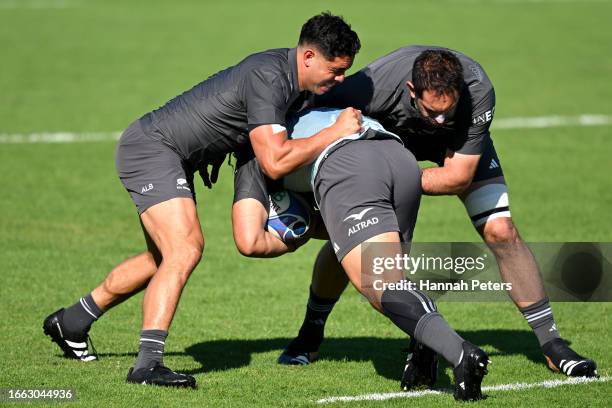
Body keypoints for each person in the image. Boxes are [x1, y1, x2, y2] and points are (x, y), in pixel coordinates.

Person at [42, 12, 362, 388]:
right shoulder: (269, 77)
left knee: (160, 259)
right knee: (184, 249)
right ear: (308, 57)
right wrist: (335, 132)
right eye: (335, 70)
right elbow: (273, 159)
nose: (339, 80)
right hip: (152, 149)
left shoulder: (295, 83)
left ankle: (72, 321)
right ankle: (147, 366)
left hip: (168, 154)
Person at [278, 46, 598, 382]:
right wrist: (369, 187)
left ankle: (552, 343)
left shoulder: (478, 91)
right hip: (385, 146)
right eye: (433, 112)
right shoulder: (374, 86)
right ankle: (311, 333)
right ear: (411, 91)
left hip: (453, 155)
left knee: (501, 230)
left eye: (449, 111)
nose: (441, 121)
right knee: (359, 243)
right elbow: (308, 111)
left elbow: (457, 177)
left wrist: (389, 184)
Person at [232, 107, 490, 401]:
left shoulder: (252, 152)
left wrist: (298, 233)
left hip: (348, 167)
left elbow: (250, 241)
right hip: (398, 159)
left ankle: (460, 353)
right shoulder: (303, 113)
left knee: (383, 287)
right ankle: (320, 338)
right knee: (370, 266)